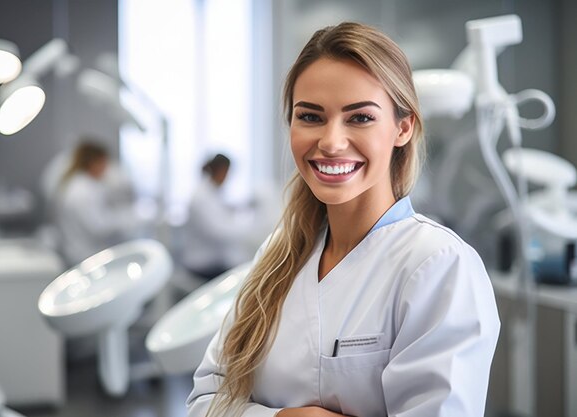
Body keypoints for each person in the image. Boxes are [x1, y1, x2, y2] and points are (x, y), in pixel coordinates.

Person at [186, 22, 500, 417]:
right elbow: (203, 401)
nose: (331, 142)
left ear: (403, 127)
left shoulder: (438, 265)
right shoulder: (278, 255)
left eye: (360, 118)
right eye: (311, 117)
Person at [54, 139, 142, 266]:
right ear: (93, 163)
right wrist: (125, 219)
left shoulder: (75, 184)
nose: (106, 169)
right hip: (84, 256)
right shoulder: (83, 191)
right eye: (104, 163)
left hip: (76, 252)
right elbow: (98, 227)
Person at [180, 153, 253, 280]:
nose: (227, 177)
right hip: (203, 265)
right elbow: (218, 232)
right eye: (227, 173)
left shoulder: (212, 192)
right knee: (242, 276)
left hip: (212, 261)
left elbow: (222, 210)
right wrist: (249, 231)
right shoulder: (202, 197)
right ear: (221, 170)